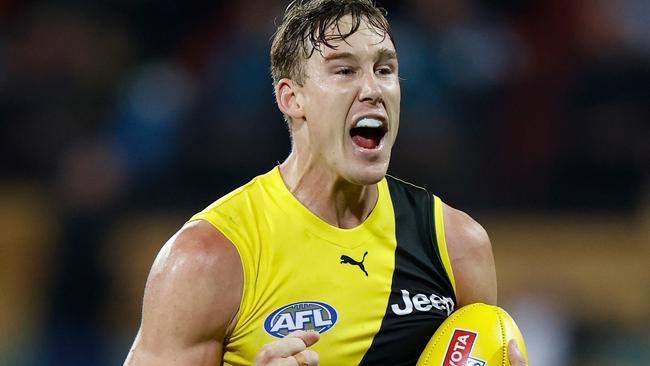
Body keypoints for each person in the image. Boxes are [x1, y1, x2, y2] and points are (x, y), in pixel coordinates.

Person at [124, 1, 527, 365]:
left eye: (385, 69)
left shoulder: (455, 245)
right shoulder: (210, 256)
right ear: (291, 98)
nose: (372, 89)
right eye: (345, 70)